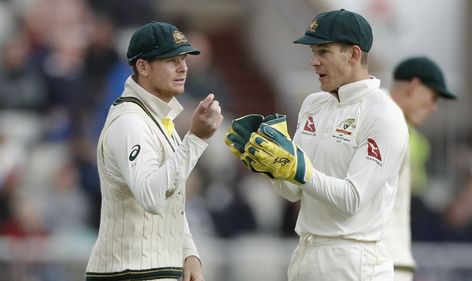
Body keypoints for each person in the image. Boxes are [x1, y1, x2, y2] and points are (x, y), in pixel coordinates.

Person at [225, 9, 408, 281]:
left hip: (354, 261)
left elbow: (351, 199)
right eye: (313, 52)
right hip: (306, 252)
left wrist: (300, 170)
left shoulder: (383, 114)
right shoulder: (314, 104)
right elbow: (293, 191)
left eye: (323, 52)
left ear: (354, 54)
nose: (313, 62)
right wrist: (269, 166)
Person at [85, 22, 223, 281]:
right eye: (171, 60)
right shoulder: (130, 122)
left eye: (183, 59)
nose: (183, 67)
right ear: (143, 67)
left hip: (151, 270)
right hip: (129, 272)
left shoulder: (157, 117)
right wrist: (195, 139)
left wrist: (188, 252)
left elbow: (171, 195)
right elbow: (152, 196)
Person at [387, 56, 456, 281]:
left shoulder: (404, 131)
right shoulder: (379, 123)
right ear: (415, 87)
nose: (434, 108)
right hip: (376, 263)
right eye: (433, 97)